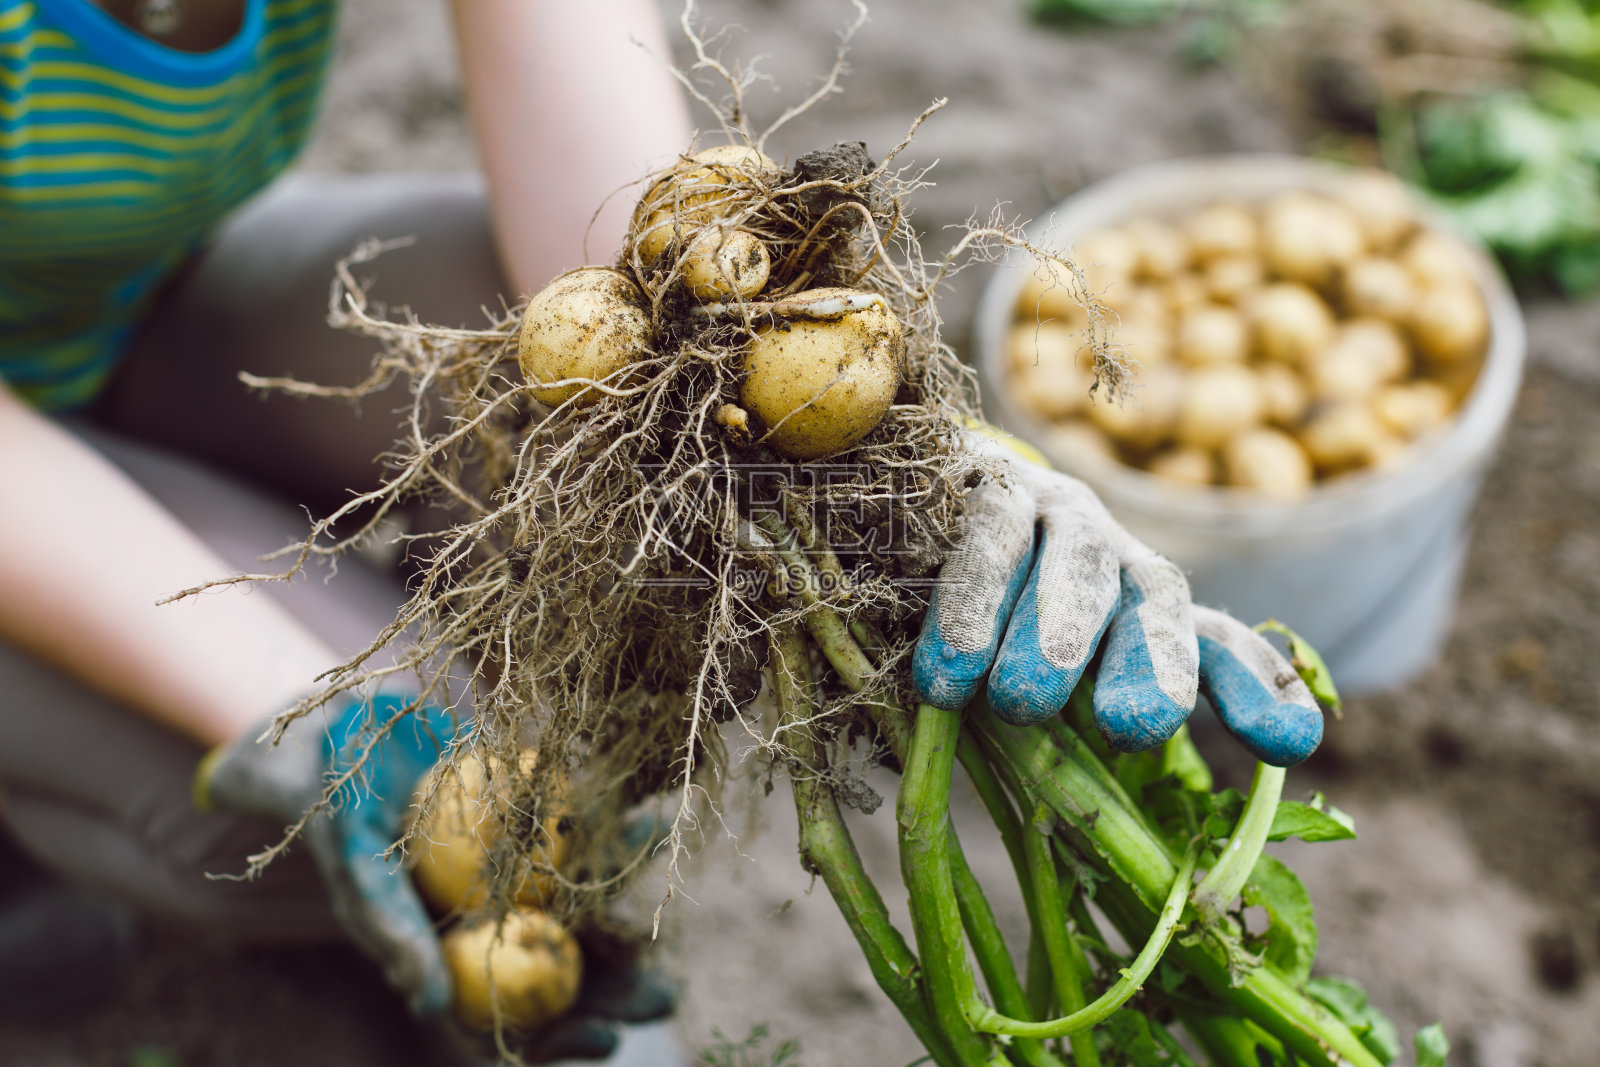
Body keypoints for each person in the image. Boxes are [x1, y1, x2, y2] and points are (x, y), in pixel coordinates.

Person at [0, 0, 1325, 1060]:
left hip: (123, 310)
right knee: (306, 801)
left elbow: (636, 249)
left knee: (597, 381)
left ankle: (495, 911)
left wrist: (903, 464)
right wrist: (305, 713)